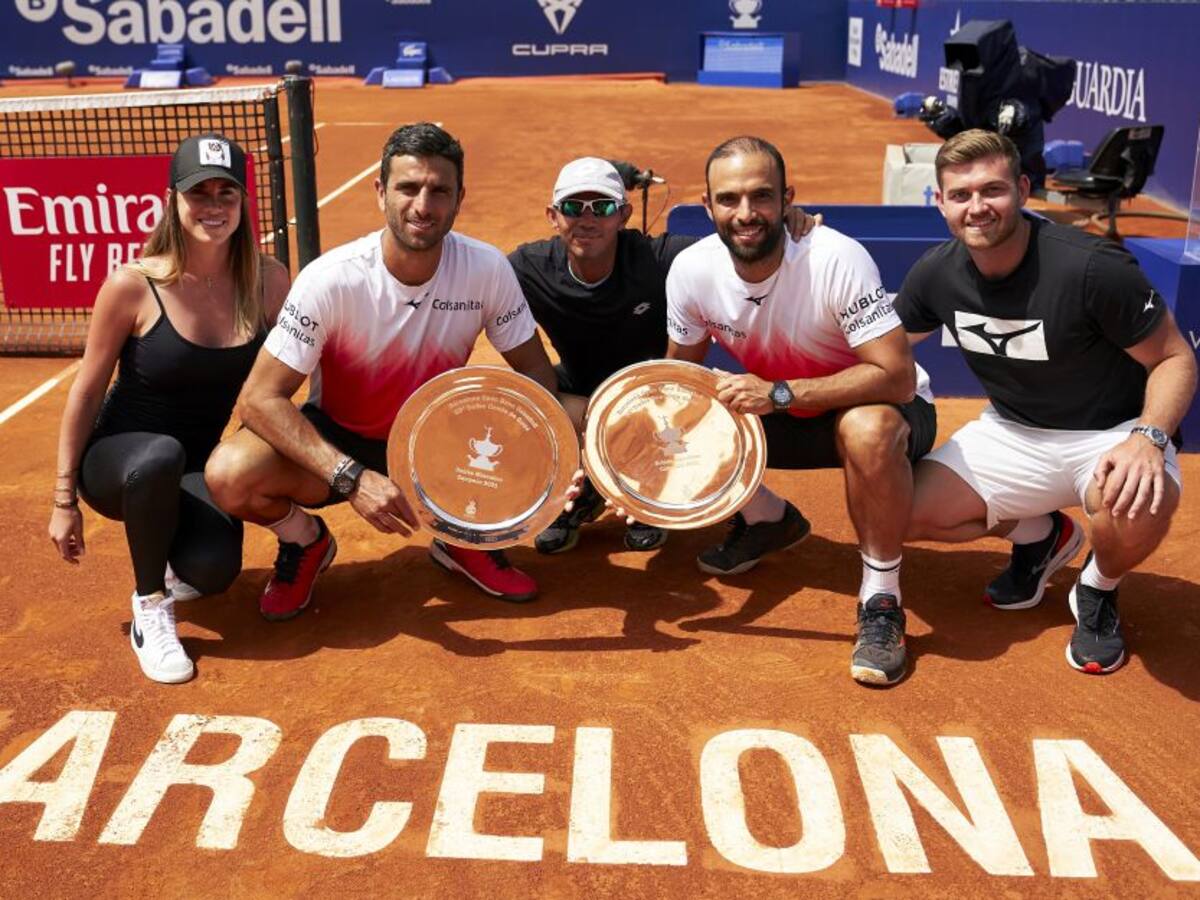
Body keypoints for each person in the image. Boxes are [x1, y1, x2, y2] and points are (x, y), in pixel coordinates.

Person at [204, 122, 571, 615]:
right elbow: (257, 399)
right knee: (231, 474)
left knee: (561, 417)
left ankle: (463, 537)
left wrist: (545, 460)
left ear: (459, 198)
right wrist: (350, 477)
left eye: (439, 190)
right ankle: (305, 541)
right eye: (407, 187)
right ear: (380, 192)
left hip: (443, 443)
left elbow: (533, 374)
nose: (423, 205)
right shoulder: (330, 280)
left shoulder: (486, 269)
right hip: (341, 437)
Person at [898, 129, 1196, 674]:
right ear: (939, 202)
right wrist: (803, 248)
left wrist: (1148, 438)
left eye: (993, 190)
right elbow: (876, 348)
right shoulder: (935, 273)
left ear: (1024, 190)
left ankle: (1098, 588)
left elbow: (1175, 358)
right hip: (1013, 433)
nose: (977, 207)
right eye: (960, 195)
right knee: (898, 509)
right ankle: (1042, 536)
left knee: (1138, 504)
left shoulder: (1092, 267)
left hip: (1114, 433)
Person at [665, 135, 937, 687]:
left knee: (869, 427)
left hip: (878, 412)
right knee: (692, 411)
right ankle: (767, 519)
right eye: (729, 200)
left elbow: (897, 377)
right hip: (785, 413)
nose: (746, 214)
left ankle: (881, 600)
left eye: (761, 197)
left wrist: (781, 393)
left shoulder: (836, 258)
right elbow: (677, 383)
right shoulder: (691, 270)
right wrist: (636, 474)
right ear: (707, 206)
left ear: (788, 199)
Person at [47, 134, 290, 684]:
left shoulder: (269, 281)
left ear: (243, 202)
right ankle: (149, 605)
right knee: (160, 454)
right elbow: (85, 391)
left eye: (225, 193)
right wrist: (64, 499)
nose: (212, 206)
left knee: (215, 571)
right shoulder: (132, 286)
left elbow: (292, 377)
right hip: (120, 463)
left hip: (195, 467)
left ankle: (172, 553)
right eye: (197, 192)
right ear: (172, 199)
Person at [509, 156, 816, 555]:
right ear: (553, 216)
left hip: (662, 402)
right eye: (572, 207)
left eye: (601, 207)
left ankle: (668, 498)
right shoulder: (526, 267)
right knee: (520, 403)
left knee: (714, 398)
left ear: (624, 215)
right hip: (581, 396)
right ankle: (590, 485)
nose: (587, 219)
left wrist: (789, 225)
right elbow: (469, 276)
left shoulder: (664, 258)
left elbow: (743, 246)